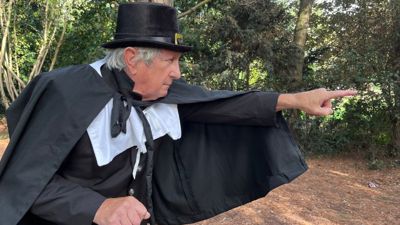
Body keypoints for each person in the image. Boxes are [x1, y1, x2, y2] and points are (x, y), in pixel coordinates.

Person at [0, 2, 356, 225]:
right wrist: (97, 208)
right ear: (132, 60)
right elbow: (23, 183)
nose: (178, 73)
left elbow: (221, 104)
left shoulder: (159, 91)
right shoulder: (66, 93)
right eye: (171, 61)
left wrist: (297, 100)